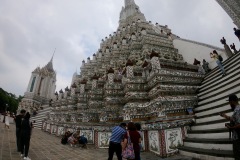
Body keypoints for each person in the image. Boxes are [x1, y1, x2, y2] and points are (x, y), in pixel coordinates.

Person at [220, 94, 240, 160]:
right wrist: (224, 115)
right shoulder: (237, 109)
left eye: (229, 102)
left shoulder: (237, 110)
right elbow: (233, 119)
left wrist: (231, 127)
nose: (229, 104)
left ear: (232, 101)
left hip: (238, 138)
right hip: (236, 137)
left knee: (238, 156)